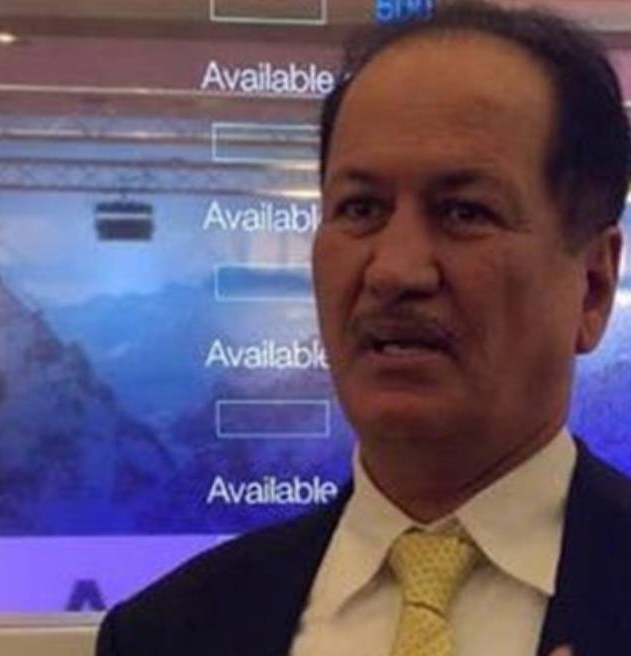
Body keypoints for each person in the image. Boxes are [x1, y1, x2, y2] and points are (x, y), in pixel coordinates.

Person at [95, 1, 631, 654]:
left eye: (465, 212)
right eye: (361, 208)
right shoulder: (166, 633)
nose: (394, 270)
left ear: (593, 285)